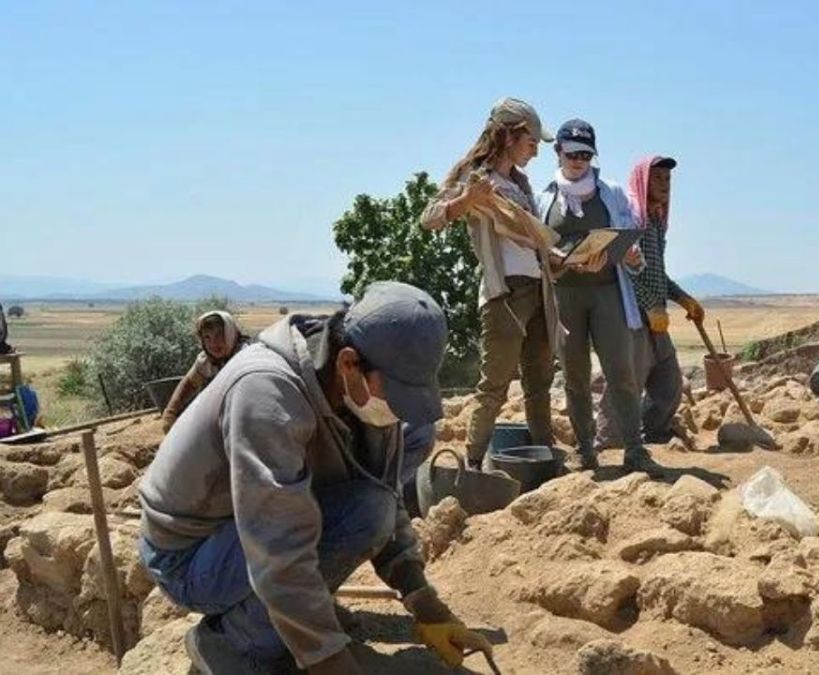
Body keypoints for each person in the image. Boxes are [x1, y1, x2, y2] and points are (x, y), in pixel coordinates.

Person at [137, 282, 490, 674]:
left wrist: (426, 603)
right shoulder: (265, 393)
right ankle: (230, 644)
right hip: (189, 553)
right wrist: (330, 663)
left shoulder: (362, 390)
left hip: (253, 530)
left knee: (378, 496)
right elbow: (279, 548)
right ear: (349, 364)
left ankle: (274, 623)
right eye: (395, 393)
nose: (396, 408)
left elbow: (383, 500)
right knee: (352, 521)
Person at [420, 97, 559, 470]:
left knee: (538, 383)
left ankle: (545, 460)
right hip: (505, 294)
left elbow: (534, 240)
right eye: (531, 142)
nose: (534, 151)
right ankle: (473, 466)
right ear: (511, 135)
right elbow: (429, 218)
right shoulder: (476, 178)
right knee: (494, 386)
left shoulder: (520, 183)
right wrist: (467, 199)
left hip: (537, 289)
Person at [537, 119, 663, 476]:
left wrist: (630, 255)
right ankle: (584, 451)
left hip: (608, 293)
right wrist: (559, 260)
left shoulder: (612, 192)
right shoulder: (543, 197)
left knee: (621, 372)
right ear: (558, 152)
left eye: (585, 154)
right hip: (565, 296)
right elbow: (537, 246)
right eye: (572, 153)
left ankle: (635, 451)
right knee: (575, 377)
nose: (578, 160)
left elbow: (628, 240)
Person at [597, 156, 704, 444]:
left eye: (667, 179)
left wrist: (683, 299)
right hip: (633, 314)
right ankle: (608, 439)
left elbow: (657, 274)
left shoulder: (656, 221)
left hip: (656, 317)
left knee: (668, 380)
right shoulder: (634, 219)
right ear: (643, 180)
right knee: (626, 378)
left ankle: (653, 432)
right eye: (657, 178)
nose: (664, 184)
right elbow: (627, 272)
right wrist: (649, 306)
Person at [161, 310, 250, 432]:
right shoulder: (207, 360)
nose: (213, 343)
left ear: (230, 333)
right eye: (207, 337)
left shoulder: (246, 357)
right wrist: (170, 413)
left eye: (219, 335)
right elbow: (189, 383)